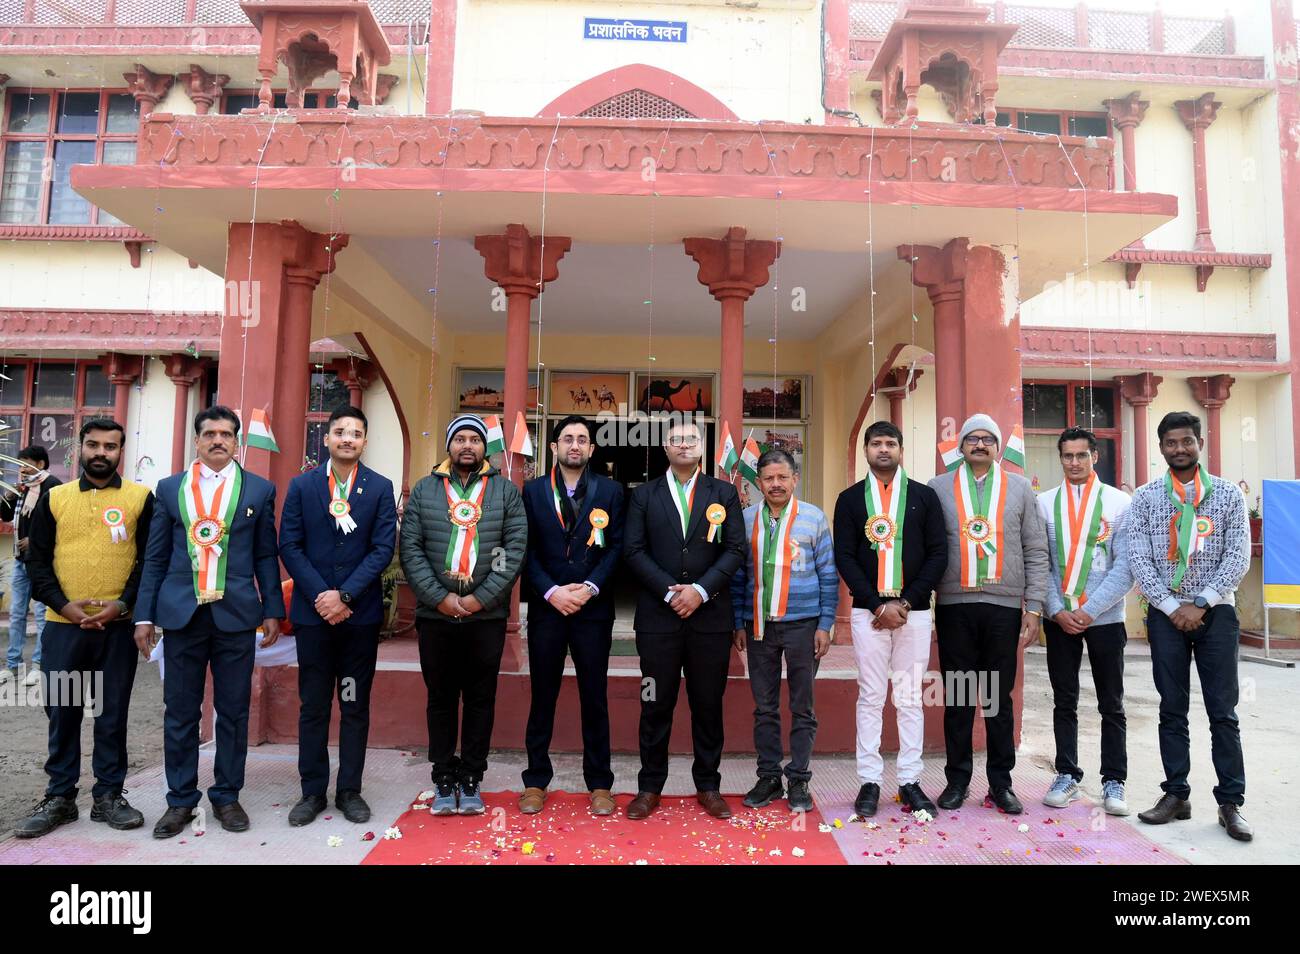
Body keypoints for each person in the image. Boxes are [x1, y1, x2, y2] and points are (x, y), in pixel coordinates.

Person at [134, 406, 285, 838]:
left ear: (237, 442)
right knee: (180, 712)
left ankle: (226, 795)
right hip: (181, 614)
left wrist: (273, 607)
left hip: (236, 615)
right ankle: (180, 800)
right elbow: (156, 557)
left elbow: (264, 555)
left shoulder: (258, 490)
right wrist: (144, 614)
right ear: (196, 441)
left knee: (233, 711)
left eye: (226, 434)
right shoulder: (169, 489)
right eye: (210, 434)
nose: (218, 440)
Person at [13, 420, 153, 838]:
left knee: (111, 714)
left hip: (117, 630)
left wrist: (123, 605)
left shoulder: (141, 498)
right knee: (64, 713)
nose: (100, 452)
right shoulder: (54, 498)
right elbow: (36, 562)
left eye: (110, 446)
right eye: (93, 444)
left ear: (120, 452)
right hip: (63, 627)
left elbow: (147, 562)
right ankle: (60, 797)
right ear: (81, 448)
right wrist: (63, 607)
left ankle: (109, 795)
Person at [1126, 411, 1253, 841]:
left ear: (1200, 442)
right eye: (1171, 443)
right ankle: (1176, 794)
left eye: (1187, 441)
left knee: (1223, 712)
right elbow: (1139, 558)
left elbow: (1238, 555)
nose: (1179, 449)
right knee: (1171, 708)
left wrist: (1200, 603)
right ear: (1160, 446)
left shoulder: (1228, 496)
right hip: (1164, 617)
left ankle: (1230, 803)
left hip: (1217, 613)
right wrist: (1168, 605)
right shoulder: (1145, 498)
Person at [400, 414, 527, 816]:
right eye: (460, 439)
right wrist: (439, 598)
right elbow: (412, 549)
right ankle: (442, 776)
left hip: (483, 619)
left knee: (479, 699)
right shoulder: (424, 490)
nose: (467, 446)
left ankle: (471, 776)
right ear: (449, 446)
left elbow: (512, 551)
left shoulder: (505, 492)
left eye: (475, 439)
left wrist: (479, 599)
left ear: (484, 447)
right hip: (436, 616)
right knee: (440, 698)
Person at [279, 405, 397, 827]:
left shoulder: (379, 488)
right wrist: (321, 596)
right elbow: (289, 546)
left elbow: (382, 549)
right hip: (313, 620)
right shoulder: (303, 486)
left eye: (356, 433)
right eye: (340, 432)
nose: (348, 439)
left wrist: (345, 595)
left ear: (365, 441)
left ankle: (349, 789)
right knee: (313, 705)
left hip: (357, 619)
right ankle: (312, 791)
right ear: (326, 439)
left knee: (352, 703)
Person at [623, 418, 746, 821]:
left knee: (707, 705)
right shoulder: (644, 495)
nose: (683, 445)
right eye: (675, 439)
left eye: (691, 438)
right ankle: (649, 786)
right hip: (658, 619)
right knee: (653, 701)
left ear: (702, 445)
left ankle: (708, 785)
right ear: (664, 447)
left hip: (710, 618)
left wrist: (700, 591)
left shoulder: (724, 493)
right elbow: (633, 551)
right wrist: (670, 591)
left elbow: (734, 550)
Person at [928, 413, 1048, 814]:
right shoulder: (939, 488)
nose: (979, 444)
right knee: (960, 698)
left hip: (1003, 608)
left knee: (998, 700)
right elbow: (928, 548)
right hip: (955, 607)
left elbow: (1035, 548)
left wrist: (1034, 606)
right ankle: (957, 780)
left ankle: (1001, 783)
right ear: (960, 446)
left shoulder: (1020, 489)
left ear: (998, 447)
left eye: (987, 439)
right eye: (972, 439)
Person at [834, 421, 948, 818]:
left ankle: (910, 781)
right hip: (869, 612)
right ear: (866, 450)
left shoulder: (924, 497)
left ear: (901, 449)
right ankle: (869, 780)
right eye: (876, 443)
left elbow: (938, 553)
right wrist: (877, 604)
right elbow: (845, 556)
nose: (884, 449)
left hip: (913, 613)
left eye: (890, 443)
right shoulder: (849, 500)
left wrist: (907, 601)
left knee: (909, 696)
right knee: (870, 695)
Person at [519, 414, 624, 816]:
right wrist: (549, 591)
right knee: (542, 695)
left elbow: (616, 548)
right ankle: (534, 781)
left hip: (593, 610)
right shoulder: (531, 492)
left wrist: (590, 588)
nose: (575, 445)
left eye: (582, 439)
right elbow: (524, 548)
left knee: (594, 697)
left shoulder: (611, 492)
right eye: (567, 439)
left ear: (592, 449)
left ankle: (600, 782)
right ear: (554, 447)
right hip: (548, 608)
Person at [731, 449, 838, 812]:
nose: (775, 484)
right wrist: (737, 621)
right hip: (759, 627)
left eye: (782, 477)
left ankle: (799, 780)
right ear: (758, 482)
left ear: (795, 479)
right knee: (764, 708)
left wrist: (825, 624)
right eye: (768, 478)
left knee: (802, 706)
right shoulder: (745, 520)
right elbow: (739, 576)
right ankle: (768, 777)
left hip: (804, 627)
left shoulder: (814, 518)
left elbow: (828, 574)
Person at [1037, 426, 1134, 815]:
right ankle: (1067, 773)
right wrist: (1056, 609)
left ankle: (1114, 780)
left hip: (1106, 618)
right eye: (1067, 456)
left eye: (1081, 455)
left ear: (1095, 456)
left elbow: (1126, 564)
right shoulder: (1044, 503)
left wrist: (1090, 609)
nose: (1074, 462)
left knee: (1112, 702)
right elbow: (1039, 562)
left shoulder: (1118, 502)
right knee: (1065, 699)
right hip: (1059, 618)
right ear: (1060, 458)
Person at [1, 445, 60, 687]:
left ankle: (39, 665)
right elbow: (6, 517)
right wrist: (11, 496)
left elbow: (58, 523)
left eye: (27, 463)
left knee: (41, 614)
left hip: (42, 562)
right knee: (16, 614)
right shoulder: (22, 488)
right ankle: (12, 665)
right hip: (20, 561)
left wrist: (34, 540)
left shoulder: (52, 485)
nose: (22, 468)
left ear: (42, 464)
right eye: (20, 464)